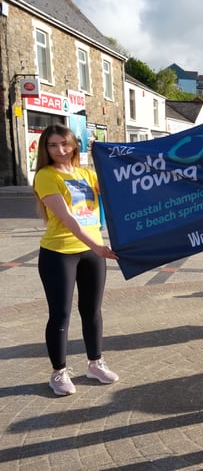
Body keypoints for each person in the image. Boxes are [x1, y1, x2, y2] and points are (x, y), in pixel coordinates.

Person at [32, 124, 120, 396]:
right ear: (46, 150)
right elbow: (68, 219)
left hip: (92, 253)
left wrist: (105, 156)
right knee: (61, 313)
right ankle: (58, 373)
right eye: (53, 145)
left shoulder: (87, 173)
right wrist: (97, 245)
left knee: (92, 310)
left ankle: (95, 363)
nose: (60, 150)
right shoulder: (46, 176)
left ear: (74, 145)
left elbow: (117, 191)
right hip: (59, 253)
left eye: (65, 144)